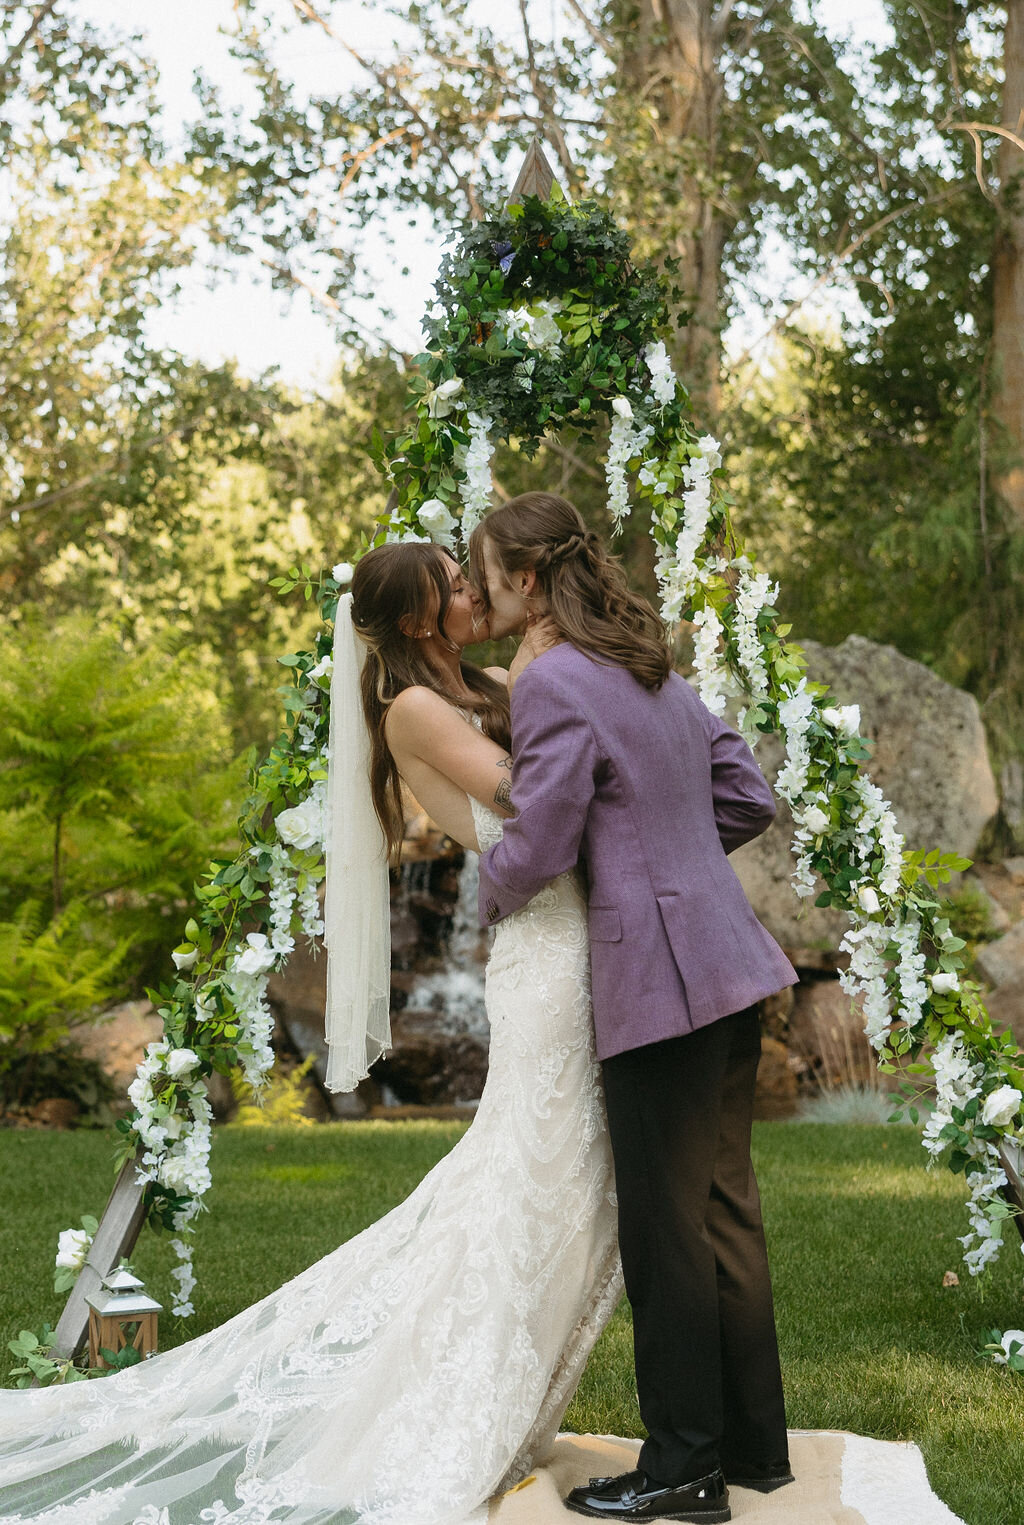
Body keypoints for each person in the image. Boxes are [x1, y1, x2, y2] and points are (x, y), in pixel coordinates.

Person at [0, 541, 622, 1525]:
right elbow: (526, 794)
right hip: (546, 948)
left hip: (583, 927)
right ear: (419, 620)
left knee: (561, 1177)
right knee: (531, 1169)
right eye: (454, 587)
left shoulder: (498, 677)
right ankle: (466, 1404)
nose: (474, 591)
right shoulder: (414, 708)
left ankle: (507, 1387)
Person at [469, 493, 799, 1525]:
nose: (478, 590)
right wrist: (680, 863)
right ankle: (750, 1451)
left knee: (665, 1234)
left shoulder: (559, 680)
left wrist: (481, 899)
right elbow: (745, 793)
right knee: (725, 1216)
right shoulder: (647, 665)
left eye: (483, 573)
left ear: (525, 583)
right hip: (731, 964)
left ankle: (683, 1472)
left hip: (656, 985)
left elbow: (544, 831)